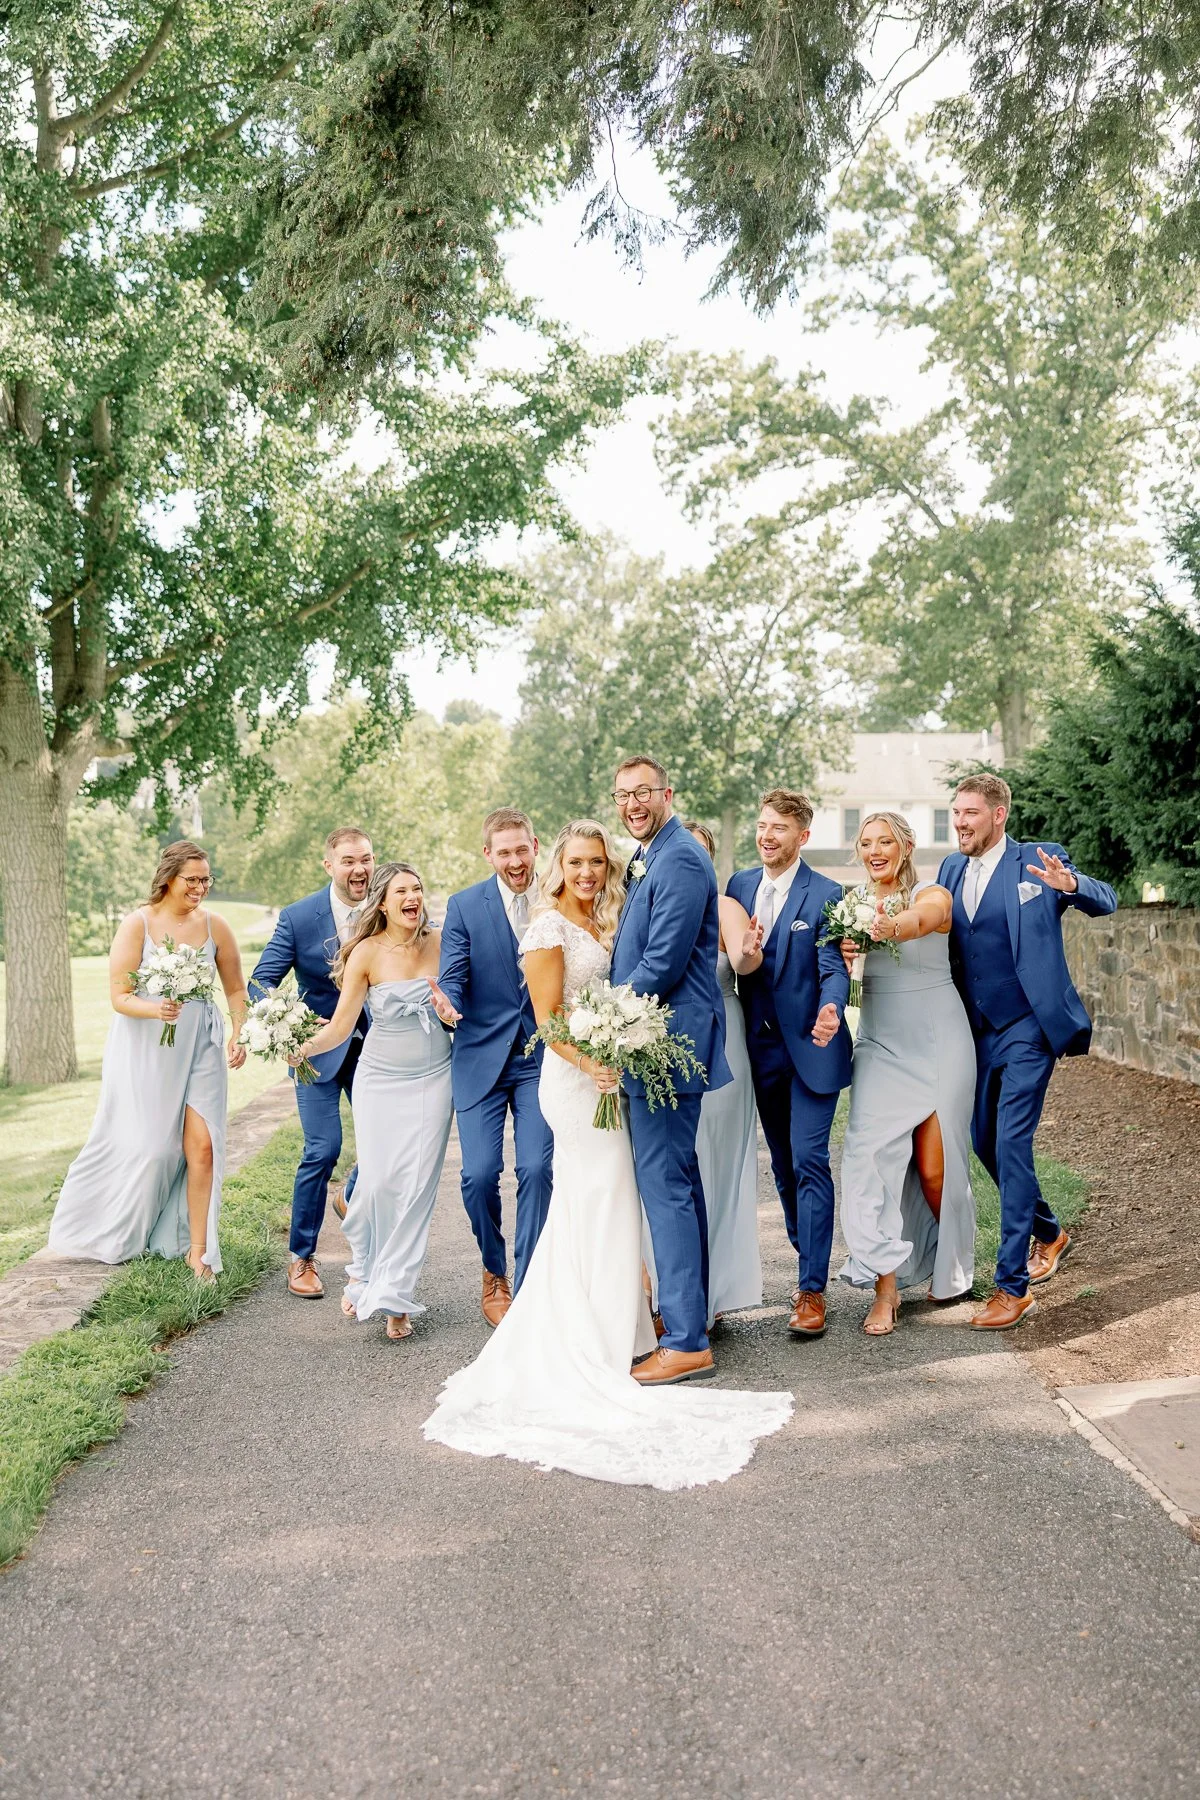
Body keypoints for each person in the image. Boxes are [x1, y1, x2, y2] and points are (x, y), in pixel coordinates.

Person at [423, 822, 793, 1488]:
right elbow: (547, 1021)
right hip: (577, 1082)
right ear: (557, 867)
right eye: (577, 862)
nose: (588, 872)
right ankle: (589, 1336)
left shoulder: (609, 919)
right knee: (595, 1195)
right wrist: (591, 1062)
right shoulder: (546, 929)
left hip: (614, 1077)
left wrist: (615, 1053)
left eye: (597, 861)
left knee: (617, 1198)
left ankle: (625, 1330)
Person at [939, 774, 1117, 1329]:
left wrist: (1071, 884)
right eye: (956, 812)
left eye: (970, 812)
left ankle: (1011, 1288)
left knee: (1012, 1142)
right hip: (975, 1030)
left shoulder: (1039, 860)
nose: (960, 822)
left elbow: (1107, 900)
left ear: (998, 815)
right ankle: (1050, 1232)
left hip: (1028, 1026)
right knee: (984, 1142)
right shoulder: (949, 870)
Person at [48, 842, 247, 1279]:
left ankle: (199, 1252)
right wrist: (157, 1009)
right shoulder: (137, 924)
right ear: (169, 878)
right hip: (147, 1049)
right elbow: (120, 997)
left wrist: (238, 1031)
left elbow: (235, 988)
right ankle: (111, 1228)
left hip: (201, 1045)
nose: (200, 887)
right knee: (154, 1150)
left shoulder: (216, 926)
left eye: (206, 879)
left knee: (203, 1146)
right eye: (192, 879)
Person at [295, 863, 459, 1340]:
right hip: (380, 1081)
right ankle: (363, 1271)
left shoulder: (442, 942)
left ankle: (394, 1296)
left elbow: (462, 1007)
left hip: (434, 1079)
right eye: (401, 891)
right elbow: (340, 1027)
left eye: (418, 888)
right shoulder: (365, 952)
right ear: (383, 903)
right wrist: (301, 1048)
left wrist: (452, 1014)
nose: (413, 897)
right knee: (378, 1184)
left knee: (415, 1190)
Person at [610, 758, 733, 1384]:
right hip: (657, 1041)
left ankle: (685, 1341)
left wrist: (605, 1019)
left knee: (665, 1186)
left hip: (663, 1045)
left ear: (668, 794)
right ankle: (690, 1320)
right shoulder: (651, 854)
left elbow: (661, 961)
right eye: (622, 795)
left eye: (643, 793)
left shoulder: (680, 857)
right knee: (679, 1182)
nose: (633, 804)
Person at [836, 812, 977, 1335]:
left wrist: (889, 927)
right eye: (866, 843)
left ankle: (951, 1264)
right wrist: (844, 954)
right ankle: (886, 1287)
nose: (875, 851)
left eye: (885, 841)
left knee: (936, 1171)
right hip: (879, 1043)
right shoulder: (849, 905)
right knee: (869, 1161)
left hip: (938, 1040)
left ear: (907, 845)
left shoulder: (931, 893)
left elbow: (923, 919)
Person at [727, 789, 852, 1340]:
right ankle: (809, 1255)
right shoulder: (738, 887)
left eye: (778, 828)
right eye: (762, 825)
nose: (766, 835)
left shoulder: (827, 893)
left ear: (803, 836)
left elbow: (834, 965)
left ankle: (811, 1289)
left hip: (814, 1046)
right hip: (760, 1051)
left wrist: (832, 1007)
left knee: (809, 1159)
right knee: (782, 1165)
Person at [438, 807, 554, 1327]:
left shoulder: (558, 897)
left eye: (522, 849)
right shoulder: (464, 906)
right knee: (479, 1175)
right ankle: (494, 1271)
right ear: (488, 854)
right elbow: (453, 975)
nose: (515, 861)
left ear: (535, 846)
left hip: (540, 1058)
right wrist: (447, 1005)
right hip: (480, 1056)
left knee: (537, 1169)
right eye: (504, 852)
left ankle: (528, 1282)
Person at [250, 827, 375, 1300]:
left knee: (387, 1144)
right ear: (329, 866)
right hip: (317, 1051)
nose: (359, 869)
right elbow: (261, 982)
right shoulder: (299, 917)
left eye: (366, 859)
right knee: (323, 1150)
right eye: (349, 861)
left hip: (378, 1049)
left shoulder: (388, 905)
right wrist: (291, 1024)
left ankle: (351, 1194)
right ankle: (301, 1256)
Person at [682, 821, 763, 1325]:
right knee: (676, 1163)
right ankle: (674, 1288)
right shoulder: (646, 905)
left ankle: (711, 1293)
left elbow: (741, 959)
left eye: (698, 854)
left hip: (722, 1036)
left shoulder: (724, 907)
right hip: (666, 1041)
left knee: (715, 1161)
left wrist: (748, 953)